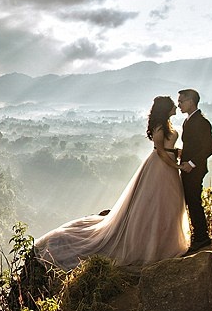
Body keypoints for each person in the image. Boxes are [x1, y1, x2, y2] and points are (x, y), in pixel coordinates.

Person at [34, 96, 191, 270]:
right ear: (166, 108)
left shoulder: (166, 124)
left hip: (167, 165)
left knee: (169, 203)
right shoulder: (160, 127)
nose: (176, 106)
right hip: (161, 167)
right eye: (172, 105)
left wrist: (178, 153)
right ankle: (153, 246)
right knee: (158, 204)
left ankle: (163, 241)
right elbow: (160, 152)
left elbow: (168, 149)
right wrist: (176, 165)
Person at [177, 88, 212, 252]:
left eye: (181, 101)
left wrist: (191, 163)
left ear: (191, 101)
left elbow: (210, 147)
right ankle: (199, 235)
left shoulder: (201, 122)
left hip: (195, 169)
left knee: (194, 202)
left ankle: (202, 237)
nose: (179, 105)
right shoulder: (188, 120)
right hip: (188, 167)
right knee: (191, 201)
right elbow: (192, 145)